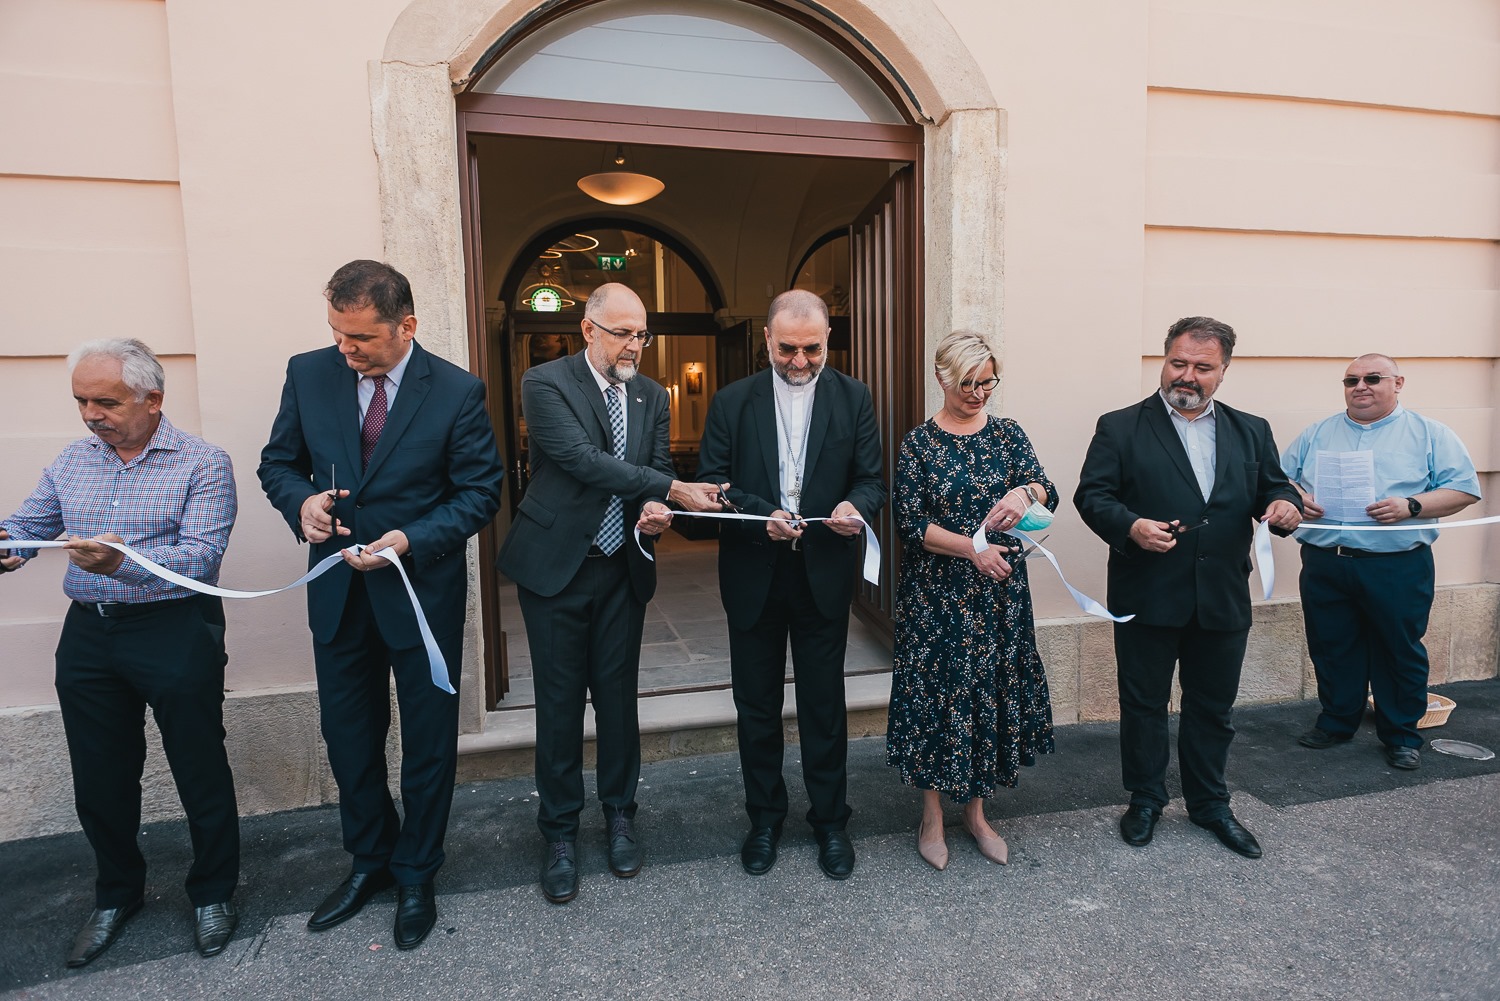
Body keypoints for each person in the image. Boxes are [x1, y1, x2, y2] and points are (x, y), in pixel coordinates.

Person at [258, 260, 504, 949]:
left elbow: (481, 492)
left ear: (407, 326)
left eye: (361, 336)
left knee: (428, 741)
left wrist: (411, 538)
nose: (345, 349)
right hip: (337, 592)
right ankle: (370, 860)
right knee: (349, 738)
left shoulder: (456, 390)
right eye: (337, 333)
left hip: (419, 593)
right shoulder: (308, 373)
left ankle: (417, 871)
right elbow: (278, 463)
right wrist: (301, 504)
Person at [0, 338, 240, 966]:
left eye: (105, 402)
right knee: (100, 775)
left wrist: (120, 563)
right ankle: (116, 894)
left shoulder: (203, 463)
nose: (90, 414)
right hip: (89, 634)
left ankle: (213, 892)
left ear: (152, 399)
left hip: (174, 628)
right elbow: (30, 525)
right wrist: (8, 544)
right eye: (81, 401)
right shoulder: (72, 460)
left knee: (198, 767)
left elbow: (199, 560)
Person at [496, 283, 723, 905]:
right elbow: (581, 460)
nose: (634, 345)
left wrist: (656, 508)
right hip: (556, 569)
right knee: (560, 704)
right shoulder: (544, 383)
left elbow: (653, 467)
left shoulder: (652, 394)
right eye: (622, 333)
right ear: (588, 329)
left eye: (641, 334)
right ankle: (559, 833)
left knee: (619, 703)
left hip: (622, 567)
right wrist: (671, 489)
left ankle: (621, 815)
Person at [1075, 316, 1302, 859]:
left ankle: (1210, 804)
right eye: (1178, 363)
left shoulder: (1252, 429)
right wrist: (1131, 526)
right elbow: (1093, 495)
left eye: (1202, 367)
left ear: (1223, 371)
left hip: (1222, 593)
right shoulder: (1120, 426)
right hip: (1147, 591)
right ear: (1164, 360)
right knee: (1143, 704)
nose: (1187, 375)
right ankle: (1146, 799)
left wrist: (1284, 504)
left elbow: (1273, 487)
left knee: (1213, 708)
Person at [697, 289, 886, 880]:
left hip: (823, 573)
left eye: (812, 349)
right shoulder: (731, 401)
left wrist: (855, 508)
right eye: (787, 350)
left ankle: (831, 822)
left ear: (828, 341)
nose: (800, 361)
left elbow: (871, 480)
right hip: (752, 573)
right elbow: (712, 484)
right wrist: (763, 516)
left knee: (824, 706)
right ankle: (764, 821)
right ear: (766, 340)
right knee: (756, 706)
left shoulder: (855, 397)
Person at [885, 332, 1056, 870]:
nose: (979, 393)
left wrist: (1024, 493)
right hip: (936, 599)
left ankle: (977, 814)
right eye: (968, 383)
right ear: (942, 378)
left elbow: (1045, 488)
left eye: (988, 382)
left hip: (998, 597)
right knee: (937, 701)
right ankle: (932, 816)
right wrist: (972, 550)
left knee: (986, 697)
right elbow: (911, 524)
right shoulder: (919, 444)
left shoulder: (1008, 434)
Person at [1281, 354, 1480, 770]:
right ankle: (1336, 722)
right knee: (1331, 645)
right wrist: (1297, 497)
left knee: (1398, 649)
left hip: (1396, 564)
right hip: (1326, 561)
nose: (1361, 386)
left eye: (1372, 378)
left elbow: (1463, 489)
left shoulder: (1430, 433)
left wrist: (1412, 505)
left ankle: (1401, 734)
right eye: (1351, 380)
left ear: (1398, 383)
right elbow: (1280, 479)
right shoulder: (1318, 433)